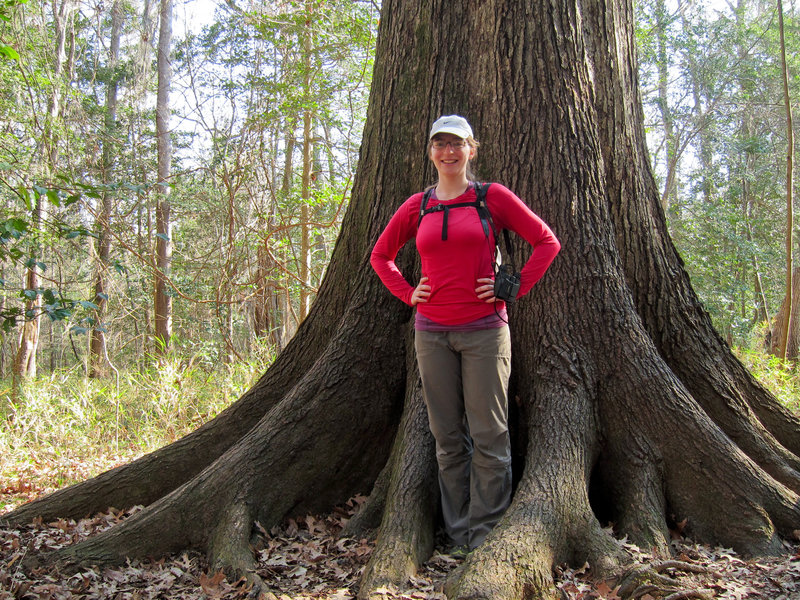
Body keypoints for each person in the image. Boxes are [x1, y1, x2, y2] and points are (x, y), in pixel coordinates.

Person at [370, 115, 560, 553]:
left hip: (485, 333)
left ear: (471, 149)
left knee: (490, 435)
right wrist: (408, 293)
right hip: (431, 333)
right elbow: (381, 256)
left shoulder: (490, 198)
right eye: (440, 143)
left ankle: (486, 537)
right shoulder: (418, 205)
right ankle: (459, 535)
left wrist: (512, 287)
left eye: (456, 143)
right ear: (431, 152)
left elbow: (546, 241)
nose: (448, 151)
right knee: (447, 437)